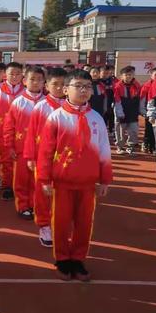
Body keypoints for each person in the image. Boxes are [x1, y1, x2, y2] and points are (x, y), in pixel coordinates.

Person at [37, 69, 112, 281]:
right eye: (77, 86)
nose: (83, 90)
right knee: (60, 223)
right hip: (62, 183)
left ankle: (78, 259)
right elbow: (45, 151)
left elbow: (104, 150)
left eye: (87, 87)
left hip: (88, 184)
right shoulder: (57, 117)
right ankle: (62, 259)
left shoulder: (96, 118)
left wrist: (104, 179)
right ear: (65, 89)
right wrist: (44, 179)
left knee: (84, 223)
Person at [23, 67, 67, 246]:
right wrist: (31, 157)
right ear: (47, 85)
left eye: (63, 84)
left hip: (65, 159)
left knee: (62, 193)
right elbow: (31, 134)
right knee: (43, 193)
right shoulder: (41, 106)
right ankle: (44, 225)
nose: (58, 88)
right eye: (54, 84)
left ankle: (59, 224)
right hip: (43, 158)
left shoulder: (70, 107)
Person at [3, 66, 46, 220]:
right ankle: (22, 205)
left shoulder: (47, 103)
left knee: (38, 179)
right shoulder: (18, 102)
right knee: (21, 179)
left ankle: (35, 204)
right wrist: (10, 146)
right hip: (21, 148)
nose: (35, 83)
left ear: (44, 83)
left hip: (42, 150)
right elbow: (9, 126)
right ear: (25, 81)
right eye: (32, 79)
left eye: (39, 80)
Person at [0, 62, 24, 200]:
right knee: (5, 160)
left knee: (20, 161)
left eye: (17, 74)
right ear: (5, 75)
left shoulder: (25, 92)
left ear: (22, 75)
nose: (14, 77)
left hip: (21, 134)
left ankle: (19, 187)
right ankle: (7, 186)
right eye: (11, 74)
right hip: (2, 132)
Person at [114, 66, 141, 155]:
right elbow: (117, 101)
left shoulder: (137, 85)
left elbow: (139, 99)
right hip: (121, 112)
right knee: (121, 131)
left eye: (130, 75)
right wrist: (120, 113)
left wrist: (140, 111)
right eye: (126, 75)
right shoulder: (117, 86)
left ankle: (130, 147)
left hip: (133, 112)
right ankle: (120, 147)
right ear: (122, 76)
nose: (128, 77)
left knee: (133, 130)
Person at [140, 68, 156, 153]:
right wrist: (143, 111)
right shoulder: (147, 86)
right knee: (149, 130)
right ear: (151, 75)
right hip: (149, 111)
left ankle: (154, 147)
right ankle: (146, 144)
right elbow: (142, 99)